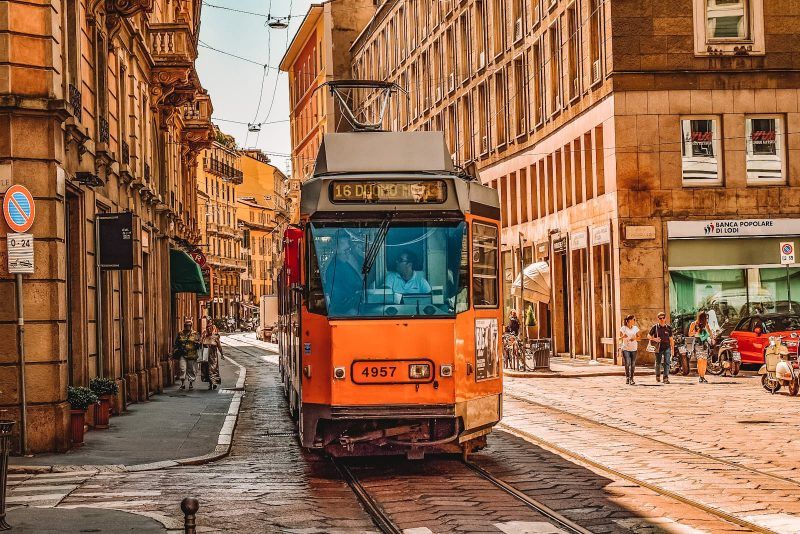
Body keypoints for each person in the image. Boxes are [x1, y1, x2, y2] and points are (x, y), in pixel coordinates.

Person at [325, 232, 363, 315]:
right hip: (345, 311)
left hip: (355, 306)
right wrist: (349, 310)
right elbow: (337, 297)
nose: (348, 253)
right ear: (336, 249)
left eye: (349, 250)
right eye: (345, 251)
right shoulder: (334, 269)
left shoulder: (347, 264)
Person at [173, 319, 200, 390]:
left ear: (191, 326)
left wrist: (197, 344)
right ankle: (182, 383)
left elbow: (199, 344)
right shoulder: (180, 333)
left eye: (189, 325)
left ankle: (191, 383)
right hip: (183, 354)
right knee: (182, 369)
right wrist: (175, 350)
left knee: (191, 369)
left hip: (192, 354)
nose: (187, 327)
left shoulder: (195, 333)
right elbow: (176, 343)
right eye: (186, 325)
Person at [648, 312, 674, 384]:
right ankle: (657, 376)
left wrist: (672, 349)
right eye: (660, 318)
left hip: (667, 347)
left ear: (665, 318)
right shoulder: (655, 327)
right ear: (658, 319)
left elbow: (671, 339)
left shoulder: (669, 328)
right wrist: (654, 339)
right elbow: (648, 336)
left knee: (667, 362)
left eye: (663, 318)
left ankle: (665, 378)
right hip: (658, 347)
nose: (662, 319)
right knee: (658, 363)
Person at [689, 310, 714, 383]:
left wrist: (712, 338)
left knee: (704, 360)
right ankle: (701, 376)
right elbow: (689, 334)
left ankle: (703, 376)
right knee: (700, 360)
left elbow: (709, 331)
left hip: (704, 343)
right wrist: (697, 332)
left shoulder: (705, 324)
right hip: (698, 342)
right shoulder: (694, 324)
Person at [200, 322, 223, 390]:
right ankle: (210, 384)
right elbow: (200, 344)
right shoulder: (204, 337)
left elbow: (219, 346)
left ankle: (214, 382)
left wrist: (222, 354)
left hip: (213, 357)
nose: (209, 330)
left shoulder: (215, 337)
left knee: (213, 369)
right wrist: (203, 336)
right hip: (205, 355)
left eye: (210, 328)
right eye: (207, 328)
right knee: (206, 369)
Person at [619, 314, 640, 385]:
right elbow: (619, 339)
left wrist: (634, 338)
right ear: (629, 321)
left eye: (634, 320)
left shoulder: (635, 328)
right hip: (625, 348)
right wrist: (623, 336)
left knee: (633, 364)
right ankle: (627, 377)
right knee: (627, 363)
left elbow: (639, 338)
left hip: (634, 348)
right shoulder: (623, 328)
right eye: (633, 320)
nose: (634, 321)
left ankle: (632, 378)